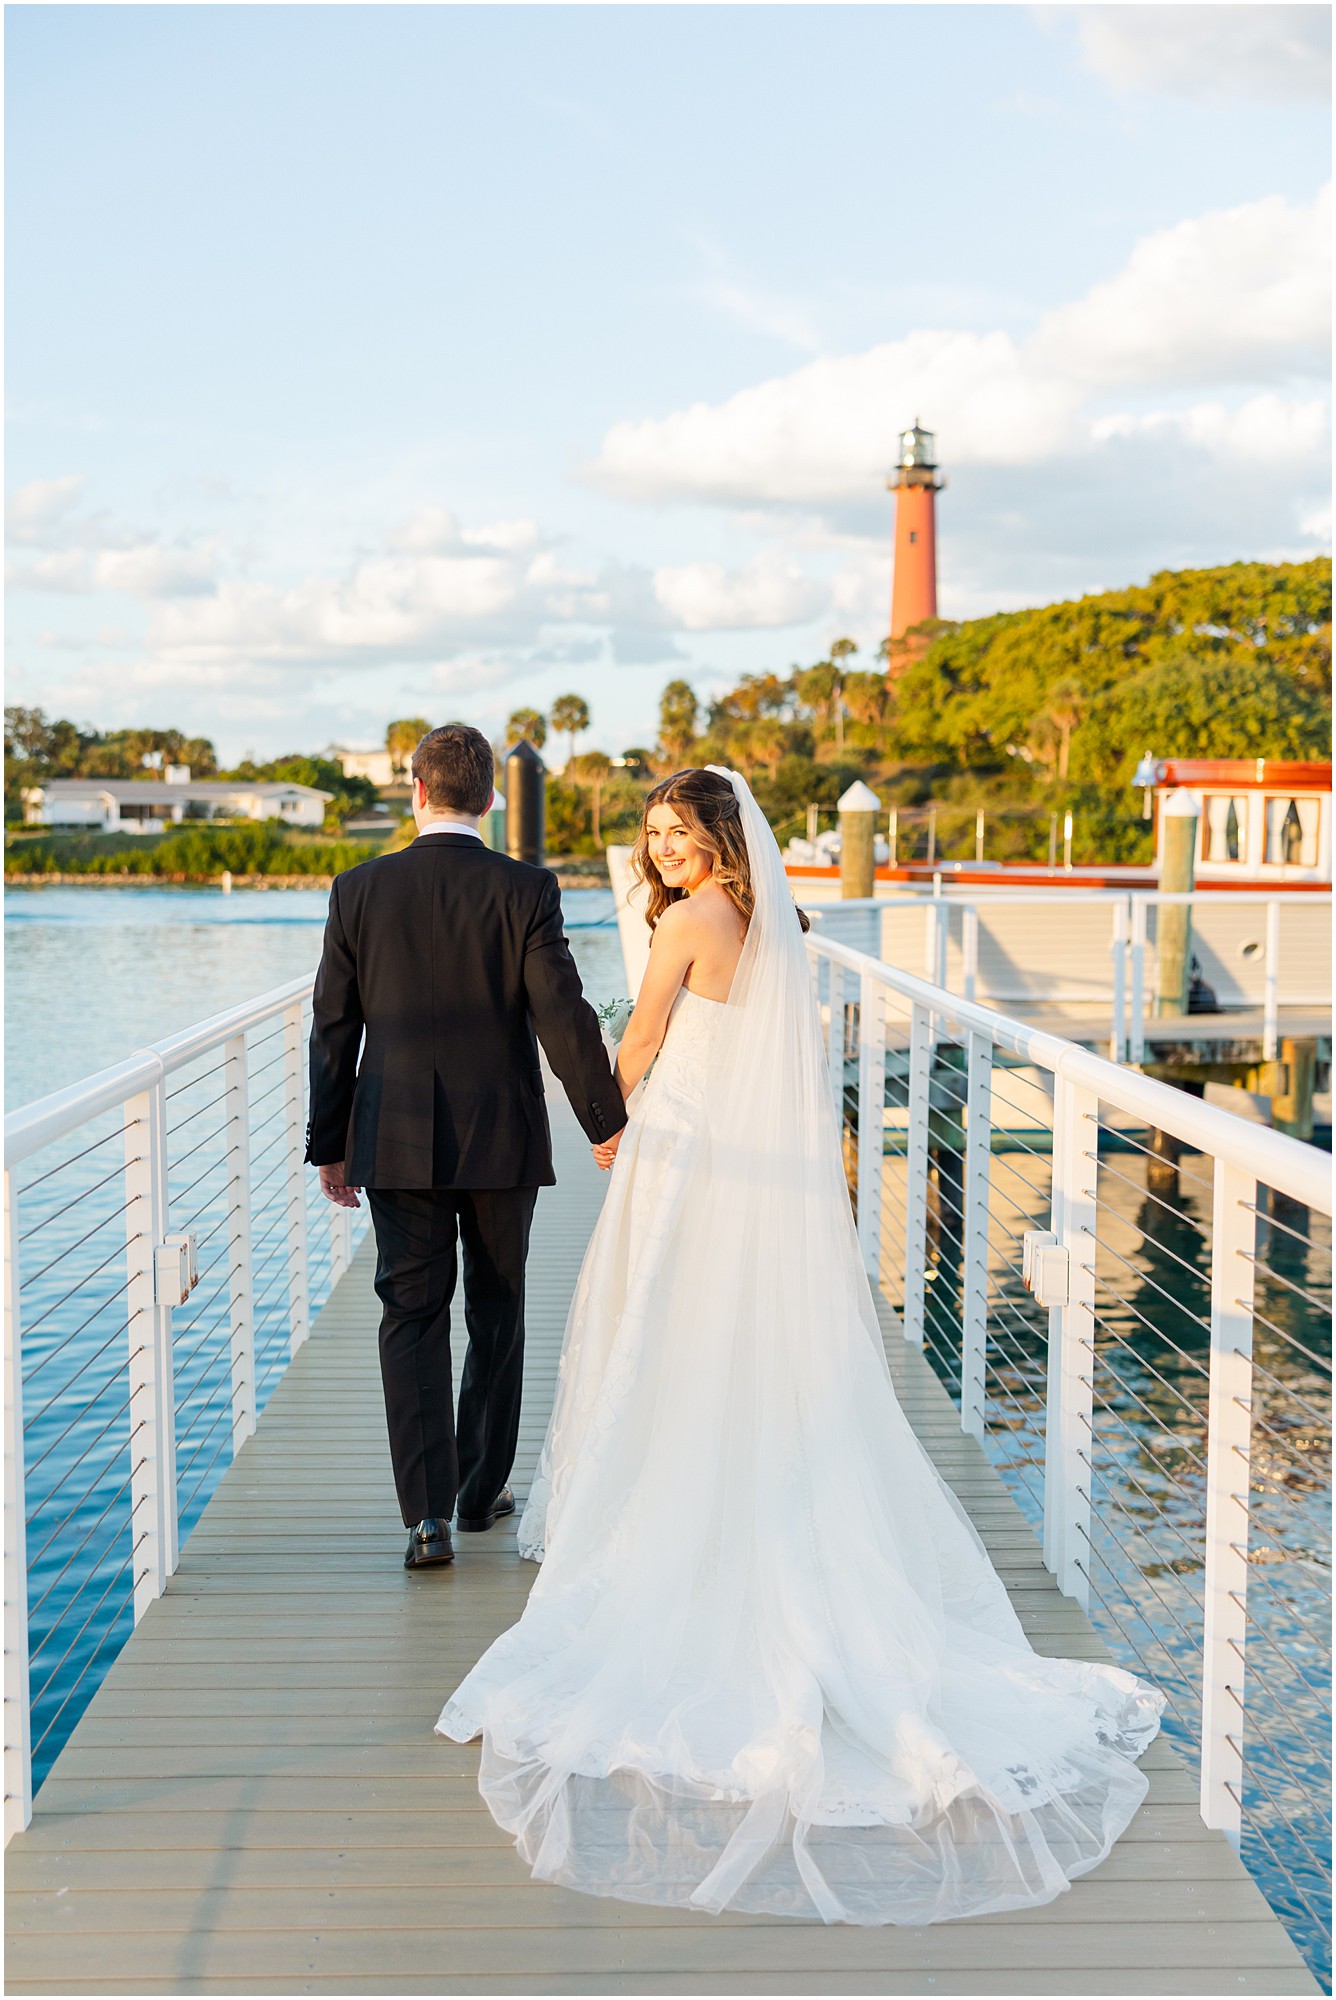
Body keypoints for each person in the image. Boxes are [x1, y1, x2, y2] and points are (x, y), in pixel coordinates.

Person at [438, 765, 1163, 1925]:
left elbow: (636, 1045)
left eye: (678, 831)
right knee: (735, 1339)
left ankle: (668, 1503)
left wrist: (611, 1124)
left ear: (716, 835)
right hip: (758, 1169)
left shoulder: (682, 921)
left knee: (659, 1328)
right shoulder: (779, 917)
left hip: (684, 1150)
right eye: (654, 832)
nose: (663, 848)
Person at [305, 722, 625, 1572]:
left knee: (410, 1314)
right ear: (490, 798)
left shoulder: (358, 889)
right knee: (496, 1309)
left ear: (416, 792)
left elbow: (333, 1028)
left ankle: (426, 1521)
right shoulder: (526, 888)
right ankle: (481, 1492)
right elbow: (562, 1012)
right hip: (500, 1136)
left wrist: (329, 1143)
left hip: (395, 1136)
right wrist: (606, 1121)